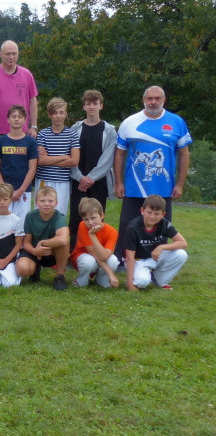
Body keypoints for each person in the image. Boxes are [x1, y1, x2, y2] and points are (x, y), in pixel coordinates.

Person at [113, 86, 192, 262]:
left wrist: (180, 184)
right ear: (144, 100)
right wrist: (118, 182)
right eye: (150, 98)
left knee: (160, 228)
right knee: (128, 225)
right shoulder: (129, 122)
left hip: (163, 189)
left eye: (157, 98)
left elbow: (184, 154)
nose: (153, 102)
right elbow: (119, 154)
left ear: (164, 100)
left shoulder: (177, 122)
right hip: (134, 188)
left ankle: (155, 261)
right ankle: (122, 260)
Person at [68, 90, 117, 248]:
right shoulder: (75, 128)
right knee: (76, 218)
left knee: (96, 219)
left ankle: (97, 252)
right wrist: (80, 178)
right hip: (78, 181)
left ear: (101, 105)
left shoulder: (109, 130)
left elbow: (107, 158)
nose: (91, 107)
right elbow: (71, 154)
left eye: (95, 103)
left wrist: (90, 178)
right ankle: (74, 252)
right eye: (88, 104)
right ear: (84, 106)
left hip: (98, 182)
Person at [124, 194, 188, 292]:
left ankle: (158, 280)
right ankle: (136, 278)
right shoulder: (133, 227)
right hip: (138, 259)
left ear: (163, 214)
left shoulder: (164, 223)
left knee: (181, 254)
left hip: (154, 256)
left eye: (157, 214)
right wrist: (130, 284)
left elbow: (183, 243)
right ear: (142, 210)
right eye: (149, 212)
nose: (152, 217)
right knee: (142, 282)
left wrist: (161, 247)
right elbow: (129, 257)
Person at [16, 185, 70, 290]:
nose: (46, 204)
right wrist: (36, 251)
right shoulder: (30, 216)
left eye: (50, 201)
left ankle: (59, 277)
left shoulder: (59, 217)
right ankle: (34, 270)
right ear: (36, 203)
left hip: (52, 251)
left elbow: (63, 239)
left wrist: (42, 244)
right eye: (42, 201)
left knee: (64, 243)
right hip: (34, 251)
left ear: (56, 203)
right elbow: (26, 242)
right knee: (22, 269)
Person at [0, 40, 39, 138]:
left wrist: (33, 126)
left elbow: (32, 101)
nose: (11, 57)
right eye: (7, 54)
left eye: (14, 54)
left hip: (21, 132)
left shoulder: (27, 75)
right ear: (0, 54)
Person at [0, 105, 38, 222]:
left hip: (23, 191)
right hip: (4, 192)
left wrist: (21, 190)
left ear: (25, 120)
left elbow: (32, 168)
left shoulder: (31, 142)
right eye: (13, 116)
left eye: (20, 117)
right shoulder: (0, 141)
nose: (16, 119)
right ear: (8, 119)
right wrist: (4, 189)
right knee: (1, 223)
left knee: (21, 225)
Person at [35, 97, 80, 217]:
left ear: (66, 114)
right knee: (41, 214)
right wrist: (64, 156)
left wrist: (50, 159)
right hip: (44, 179)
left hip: (62, 181)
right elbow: (41, 160)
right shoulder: (43, 134)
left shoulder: (72, 134)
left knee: (59, 214)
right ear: (49, 115)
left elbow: (74, 161)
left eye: (61, 112)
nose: (58, 116)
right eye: (55, 113)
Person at [70, 197, 119, 289]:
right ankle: (81, 281)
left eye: (93, 218)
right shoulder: (82, 226)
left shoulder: (112, 231)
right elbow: (93, 253)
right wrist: (111, 274)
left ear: (102, 215)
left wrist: (92, 236)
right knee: (88, 262)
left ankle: (101, 280)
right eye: (86, 219)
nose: (90, 222)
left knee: (113, 260)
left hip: (100, 257)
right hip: (83, 257)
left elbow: (104, 256)